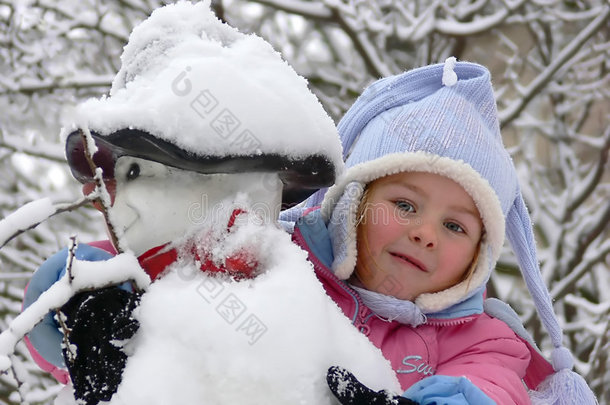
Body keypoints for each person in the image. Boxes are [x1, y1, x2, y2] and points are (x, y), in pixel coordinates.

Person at [289, 58, 597, 404]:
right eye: (405, 205)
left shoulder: (484, 343)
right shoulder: (286, 261)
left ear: (477, 258)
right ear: (354, 203)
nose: (425, 234)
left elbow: (488, 390)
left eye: (454, 226)